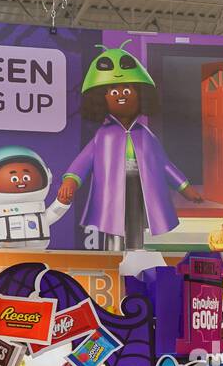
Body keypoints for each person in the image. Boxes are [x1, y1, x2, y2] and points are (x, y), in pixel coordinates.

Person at [56, 43, 203, 251]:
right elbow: (84, 160)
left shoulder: (146, 136)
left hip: (142, 187)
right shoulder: (103, 135)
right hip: (111, 189)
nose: (120, 95)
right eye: (112, 91)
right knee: (112, 222)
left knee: (136, 222)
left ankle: (136, 252)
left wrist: (185, 187)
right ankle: (114, 256)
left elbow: (164, 164)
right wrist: (71, 180)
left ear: (140, 95)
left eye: (126, 90)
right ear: (101, 99)